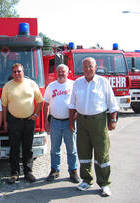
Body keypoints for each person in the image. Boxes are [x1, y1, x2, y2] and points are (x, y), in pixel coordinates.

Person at [69, 57, 119, 197]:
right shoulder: (78, 83)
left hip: (99, 121)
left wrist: (113, 120)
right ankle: (86, 180)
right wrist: (71, 122)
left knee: (102, 153)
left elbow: (112, 104)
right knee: (83, 153)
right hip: (82, 122)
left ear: (95, 67)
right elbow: (72, 104)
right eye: (85, 66)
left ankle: (104, 183)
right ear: (82, 68)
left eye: (90, 66)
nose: (88, 69)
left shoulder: (103, 82)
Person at [1, 63, 43, 184]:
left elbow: (40, 100)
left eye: (19, 71)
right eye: (14, 72)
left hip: (29, 121)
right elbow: (4, 105)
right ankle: (14, 173)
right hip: (13, 121)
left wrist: (36, 114)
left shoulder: (31, 83)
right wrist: (5, 121)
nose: (17, 74)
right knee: (14, 148)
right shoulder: (8, 86)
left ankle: (28, 172)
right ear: (12, 73)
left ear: (23, 72)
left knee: (27, 148)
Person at [43, 64, 80, 183]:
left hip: (69, 122)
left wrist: (74, 118)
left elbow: (79, 103)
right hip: (55, 122)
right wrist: (46, 121)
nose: (61, 73)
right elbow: (46, 105)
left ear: (68, 72)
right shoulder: (51, 86)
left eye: (63, 71)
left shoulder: (73, 85)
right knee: (54, 148)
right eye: (58, 71)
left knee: (72, 148)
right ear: (55, 72)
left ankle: (73, 171)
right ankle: (54, 170)